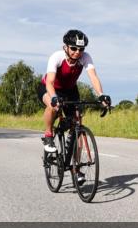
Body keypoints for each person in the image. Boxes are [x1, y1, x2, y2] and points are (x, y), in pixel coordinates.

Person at [37, 30, 110, 158]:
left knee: (77, 128)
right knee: (52, 106)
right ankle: (48, 135)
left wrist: (101, 95)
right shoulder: (57, 57)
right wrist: (54, 98)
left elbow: (93, 76)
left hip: (70, 90)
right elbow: (50, 81)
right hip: (50, 88)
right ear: (65, 47)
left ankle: (76, 169)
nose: (77, 52)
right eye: (74, 48)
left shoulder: (85, 57)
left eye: (81, 49)